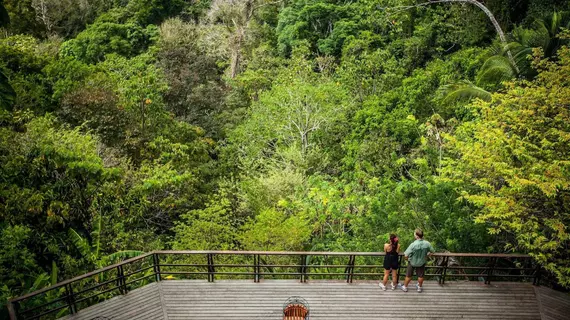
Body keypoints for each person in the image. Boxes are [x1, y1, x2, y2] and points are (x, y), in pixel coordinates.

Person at [401, 228, 435, 293]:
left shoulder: (413, 244)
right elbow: (433, 251)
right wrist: (428, 254)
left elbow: (406, 255)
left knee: (408, 275)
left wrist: (407, 259)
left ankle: (405, 287)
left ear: (416, 235)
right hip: (421, 262)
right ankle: (419, 287)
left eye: (414, 233)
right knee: (420, 275)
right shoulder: (427, 243)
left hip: (412, 262)